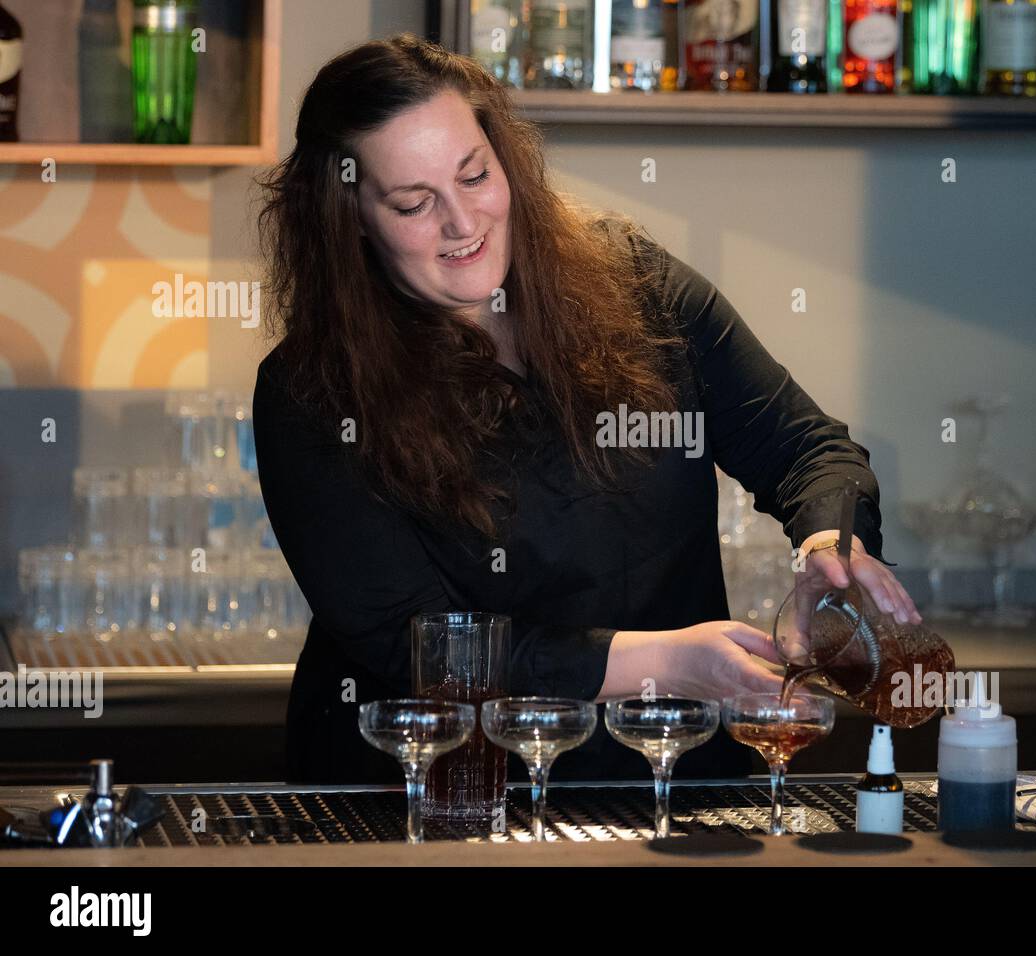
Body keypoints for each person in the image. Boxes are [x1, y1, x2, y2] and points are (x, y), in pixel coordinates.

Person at [253, 34, 920, 783]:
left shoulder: (638, 284)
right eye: (414, 203)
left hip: (670, 777)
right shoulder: (312, 391)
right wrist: (665, 661)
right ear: (351, 220)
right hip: (438, 796)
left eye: (475, 176)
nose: (462, 223)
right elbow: (413, 646)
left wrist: (827, 548)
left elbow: (806, 449)